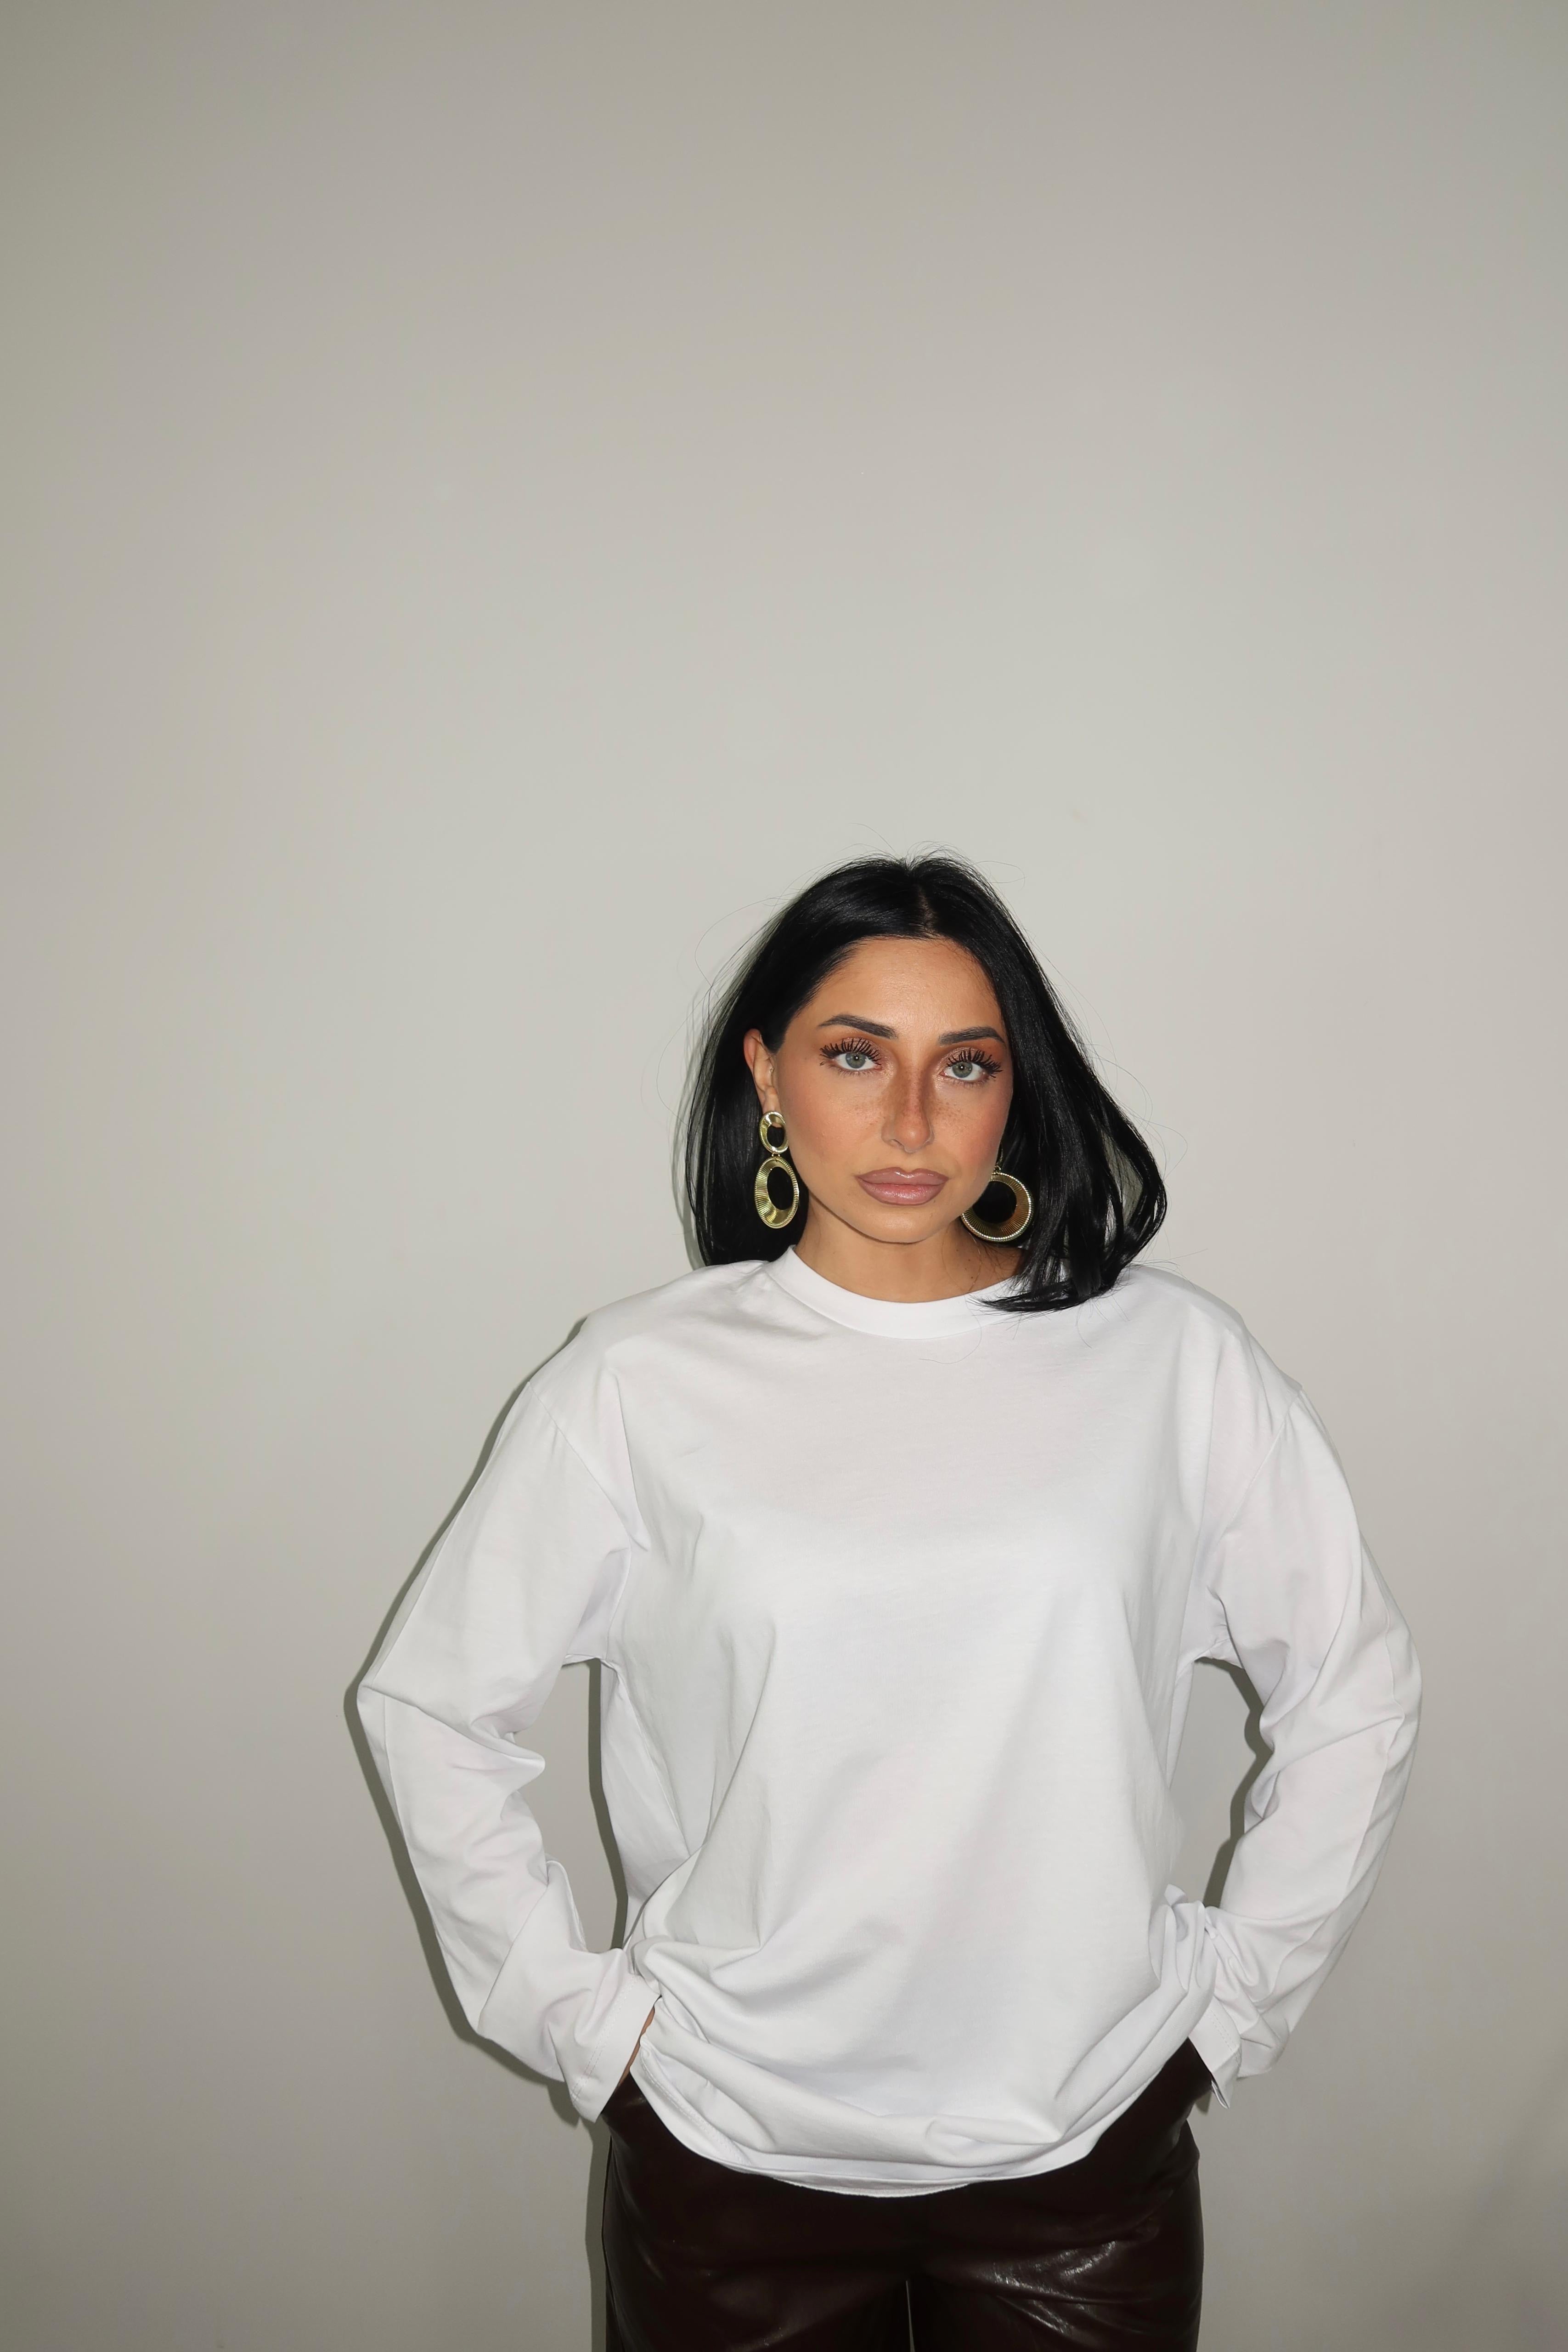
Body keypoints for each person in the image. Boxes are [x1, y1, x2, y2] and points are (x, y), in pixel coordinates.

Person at [357, 852, 1422, 2349]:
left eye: (965, 1065)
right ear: (766, 1076)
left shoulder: (1170, 1365)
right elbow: (432, 1708)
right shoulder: (636, 1383)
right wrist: (585, 2029)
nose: (912, 1121)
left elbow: (1353, 1690)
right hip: (729, 2159)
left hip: (1081, 2156)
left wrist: (1234, 2005)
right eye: (857, 1056)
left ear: (1014, 1089)